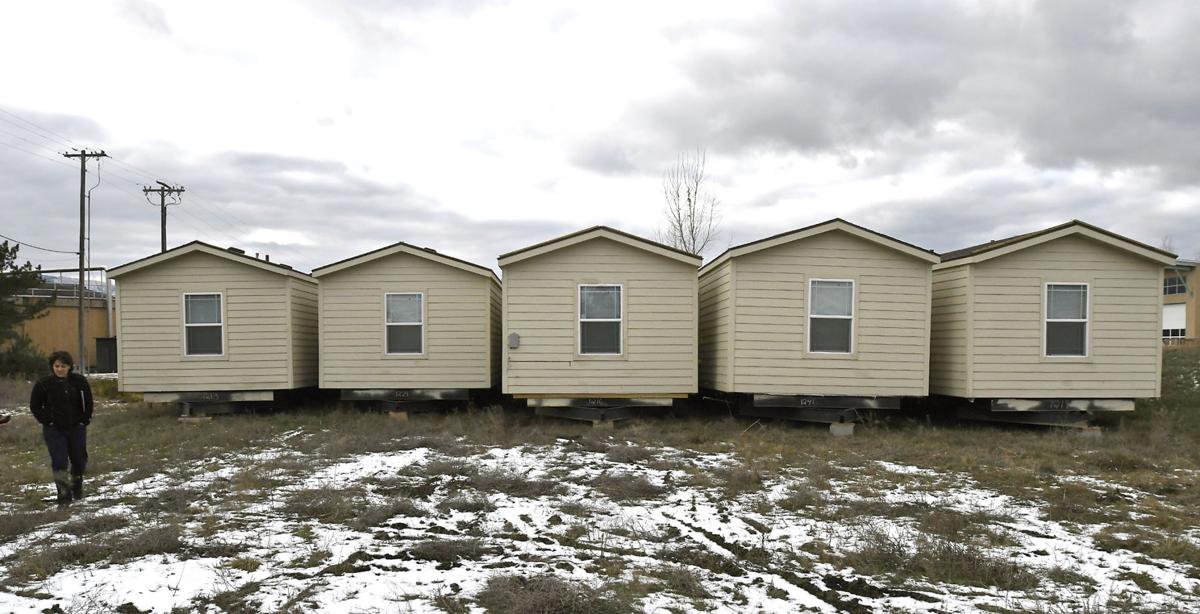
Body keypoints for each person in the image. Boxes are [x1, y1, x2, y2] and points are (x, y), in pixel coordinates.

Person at [29, 350, 93, 506]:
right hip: (54, 429)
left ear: (69, 367)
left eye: (63, 366)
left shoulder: (79, 382)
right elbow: (35, 406)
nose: (59, 369)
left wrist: (84, 420)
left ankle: (77, 482)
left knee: (79, 460)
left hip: (76, 427)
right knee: (59, 461)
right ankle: (63, 496)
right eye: (56, 366)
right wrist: (47, 420)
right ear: (52, 367)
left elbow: (88, 402)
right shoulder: (43, 384)